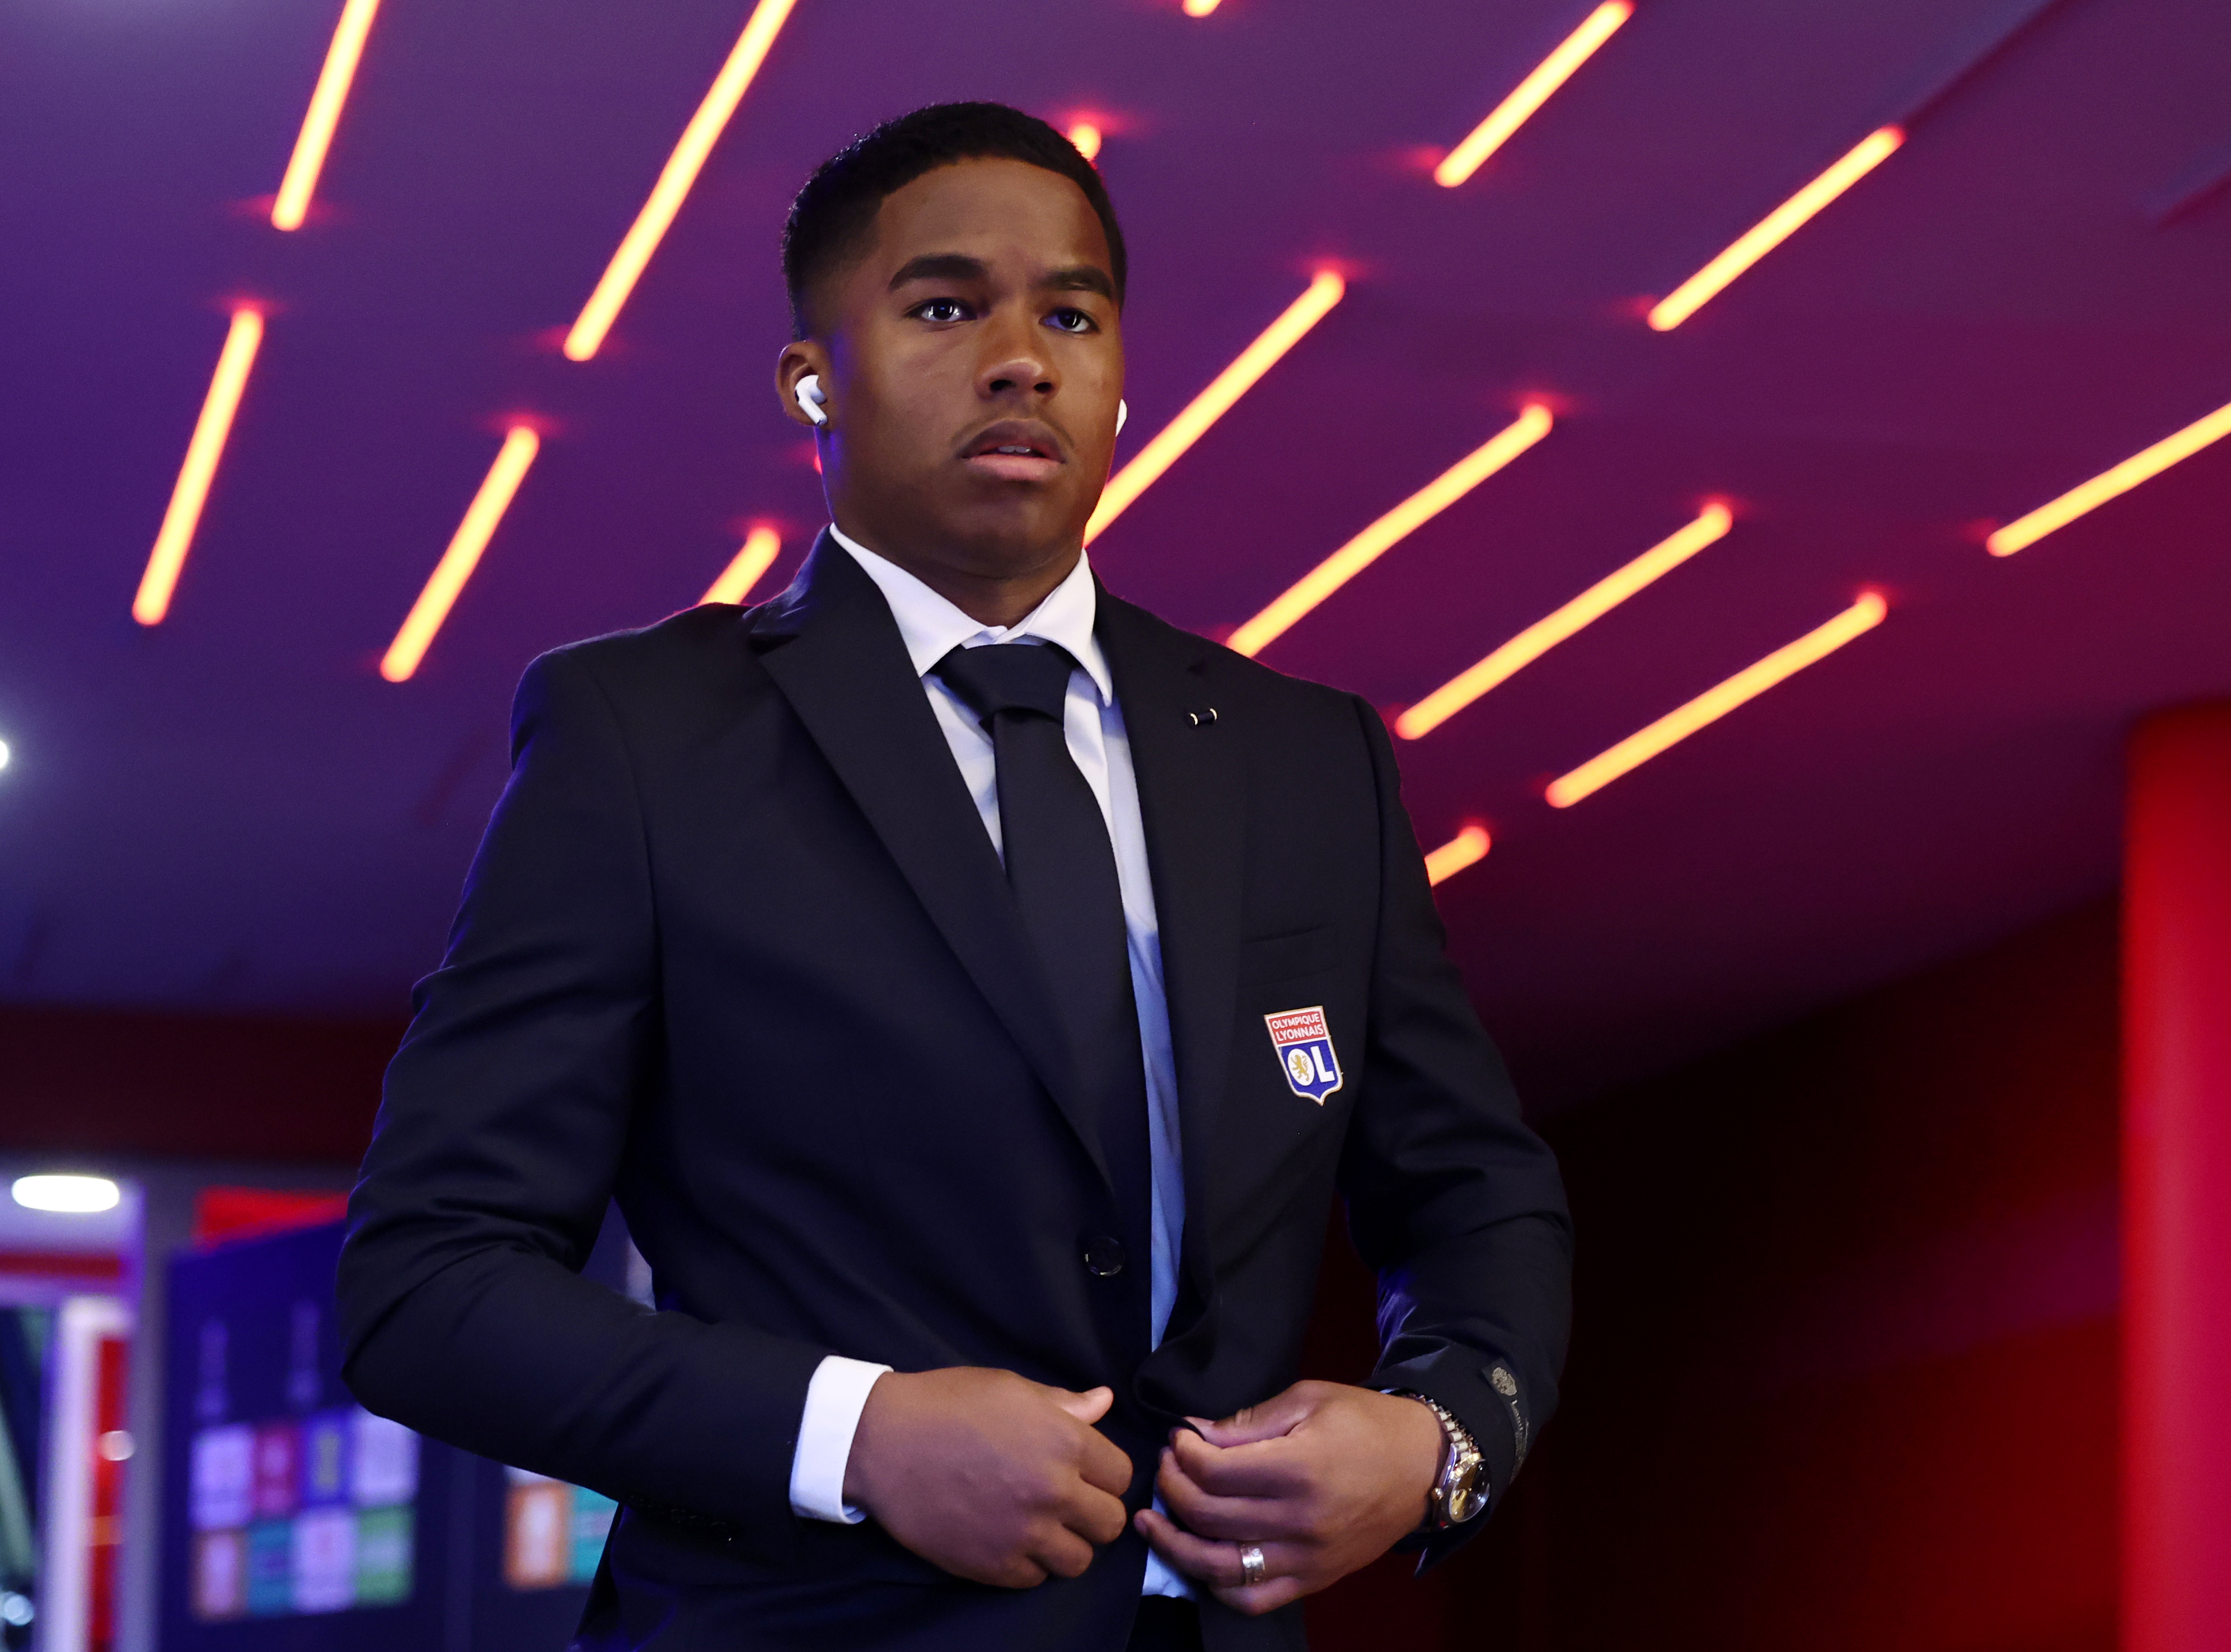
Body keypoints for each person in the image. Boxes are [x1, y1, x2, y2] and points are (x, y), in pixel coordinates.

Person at [336, 102, 1571, 1652]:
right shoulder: (641, 736)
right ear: (809, 378)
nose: (1020, 358)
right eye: (943, 306)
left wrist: (1440, 1433)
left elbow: (1477, 1191)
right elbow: (429, 1284)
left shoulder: (1303, 752)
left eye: (1072, 313)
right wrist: (853, 1434)